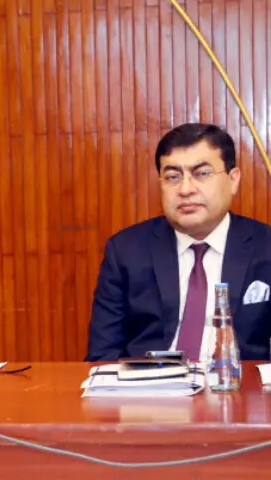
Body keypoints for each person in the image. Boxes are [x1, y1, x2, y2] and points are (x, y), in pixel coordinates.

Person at [87, 123, 271, 361]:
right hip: (151, 389)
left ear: (233, 180)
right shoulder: (126, 250)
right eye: (173, 177)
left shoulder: (266, 246)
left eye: (202, 174)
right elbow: (102, 354)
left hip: (239, 389)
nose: (185, 189)